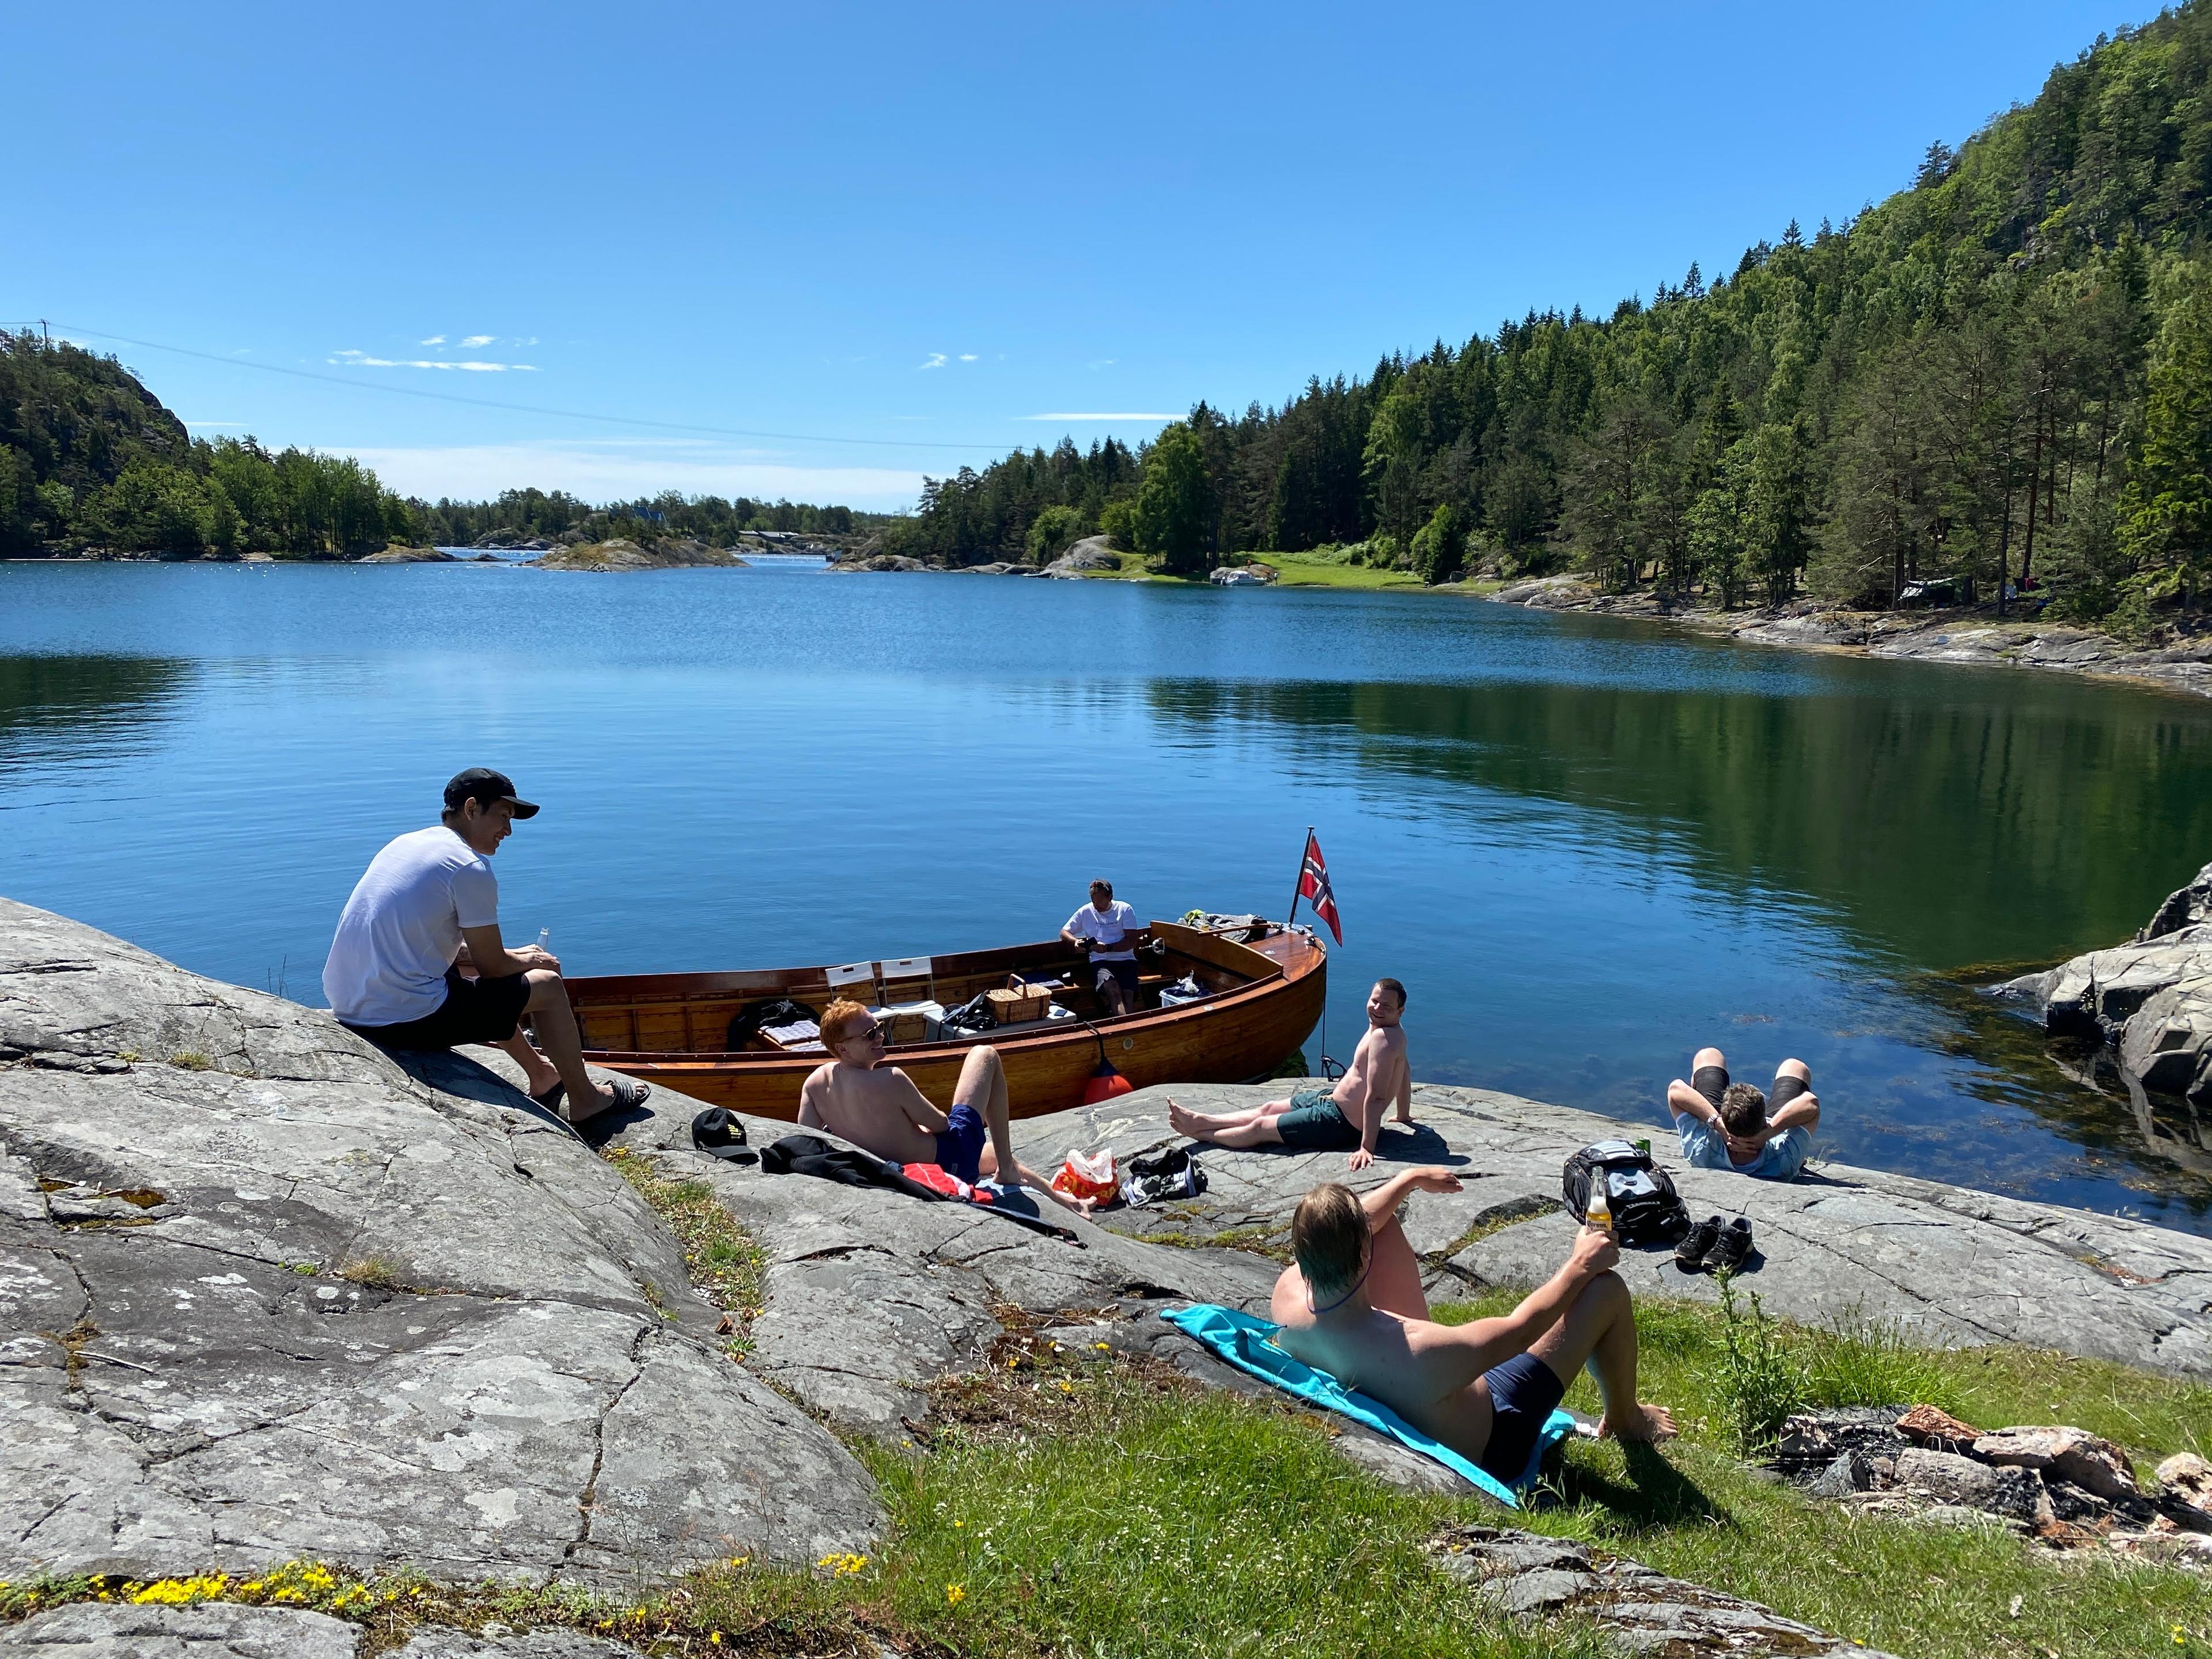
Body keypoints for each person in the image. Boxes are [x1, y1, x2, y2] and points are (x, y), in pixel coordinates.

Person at [1270, 1167, 1675, 1487]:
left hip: (1406, 1383)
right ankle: (1625, 1419)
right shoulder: (1422, 1349)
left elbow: (1371, 1223)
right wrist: (1580, 1264)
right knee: (1606, 1290)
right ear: (1363, 1254)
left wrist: (1407, 1180)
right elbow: (1520, 1331)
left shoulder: (1286, 1299)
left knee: (1387, 1225)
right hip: (1498, 1432)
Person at [323, 768, 647, 1122]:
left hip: (349, 1003)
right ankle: (586, 1100)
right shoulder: (468, 867)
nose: (508, 831)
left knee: (471, 972)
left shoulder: (406, 844)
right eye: (503, 817)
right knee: (548, 985)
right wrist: (532, 962)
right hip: (399, 1019)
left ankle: (542, 1075)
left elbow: (438, 946)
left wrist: (517, 957)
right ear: (472, 808)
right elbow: (493, 967)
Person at [797, 1001, 1087, 1210]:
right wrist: (918, 1126)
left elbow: (807, 1141)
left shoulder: (813, 1085)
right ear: (842, 1049)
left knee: (1000, 1158)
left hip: (897, 1170)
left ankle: (1059, 1198)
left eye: (879, 1027)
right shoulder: (890, 1079)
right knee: (985, 1055)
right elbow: (941, 1125)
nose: (881, 1036)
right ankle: (1013, 1173)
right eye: (870, 1035)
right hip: (950, 1159)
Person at [1167, 978, 1411, 1170]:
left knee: (1261, 1127)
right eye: (1374, 1001)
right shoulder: (1390, 1032)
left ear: (1400, 1011)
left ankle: (1201, 1134)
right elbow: (1405, 1072)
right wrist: (1403, 1115)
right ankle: (1202, 1120)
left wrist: (1367, 1147)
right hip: (1330, 1100)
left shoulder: (1384, 1039)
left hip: (1340, 1123)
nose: (1378, 1008)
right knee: (1269, 1108)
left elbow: (1377, 1096)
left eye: (1387, 1006)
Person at [1665, 1046, 1820, 1180]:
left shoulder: (1702, 1151)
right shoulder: (1785, 1160)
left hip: (1722, 1127)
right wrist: (1770, 1132)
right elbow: (1811, 1103)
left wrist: (1717, 1124)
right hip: (1765, 1136)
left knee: (1709, 1055)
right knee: (1795, 1066)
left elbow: (1676, 1089)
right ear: (1764, 1121)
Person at [1062, 880, 1143, 1017]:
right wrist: (1075, 942)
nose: (1096, 906)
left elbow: (1131, 941)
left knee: (1128, 994)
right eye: (1093, 902)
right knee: (1113, 990)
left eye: (1099, 902)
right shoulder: (1086, 911)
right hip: (1100, 961)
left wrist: (1108, 948)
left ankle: (1127, 1026)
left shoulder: (1124, 909)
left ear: (1110, 897)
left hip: (1126, 959)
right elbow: (1064, 932)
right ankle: (1125, 1025)